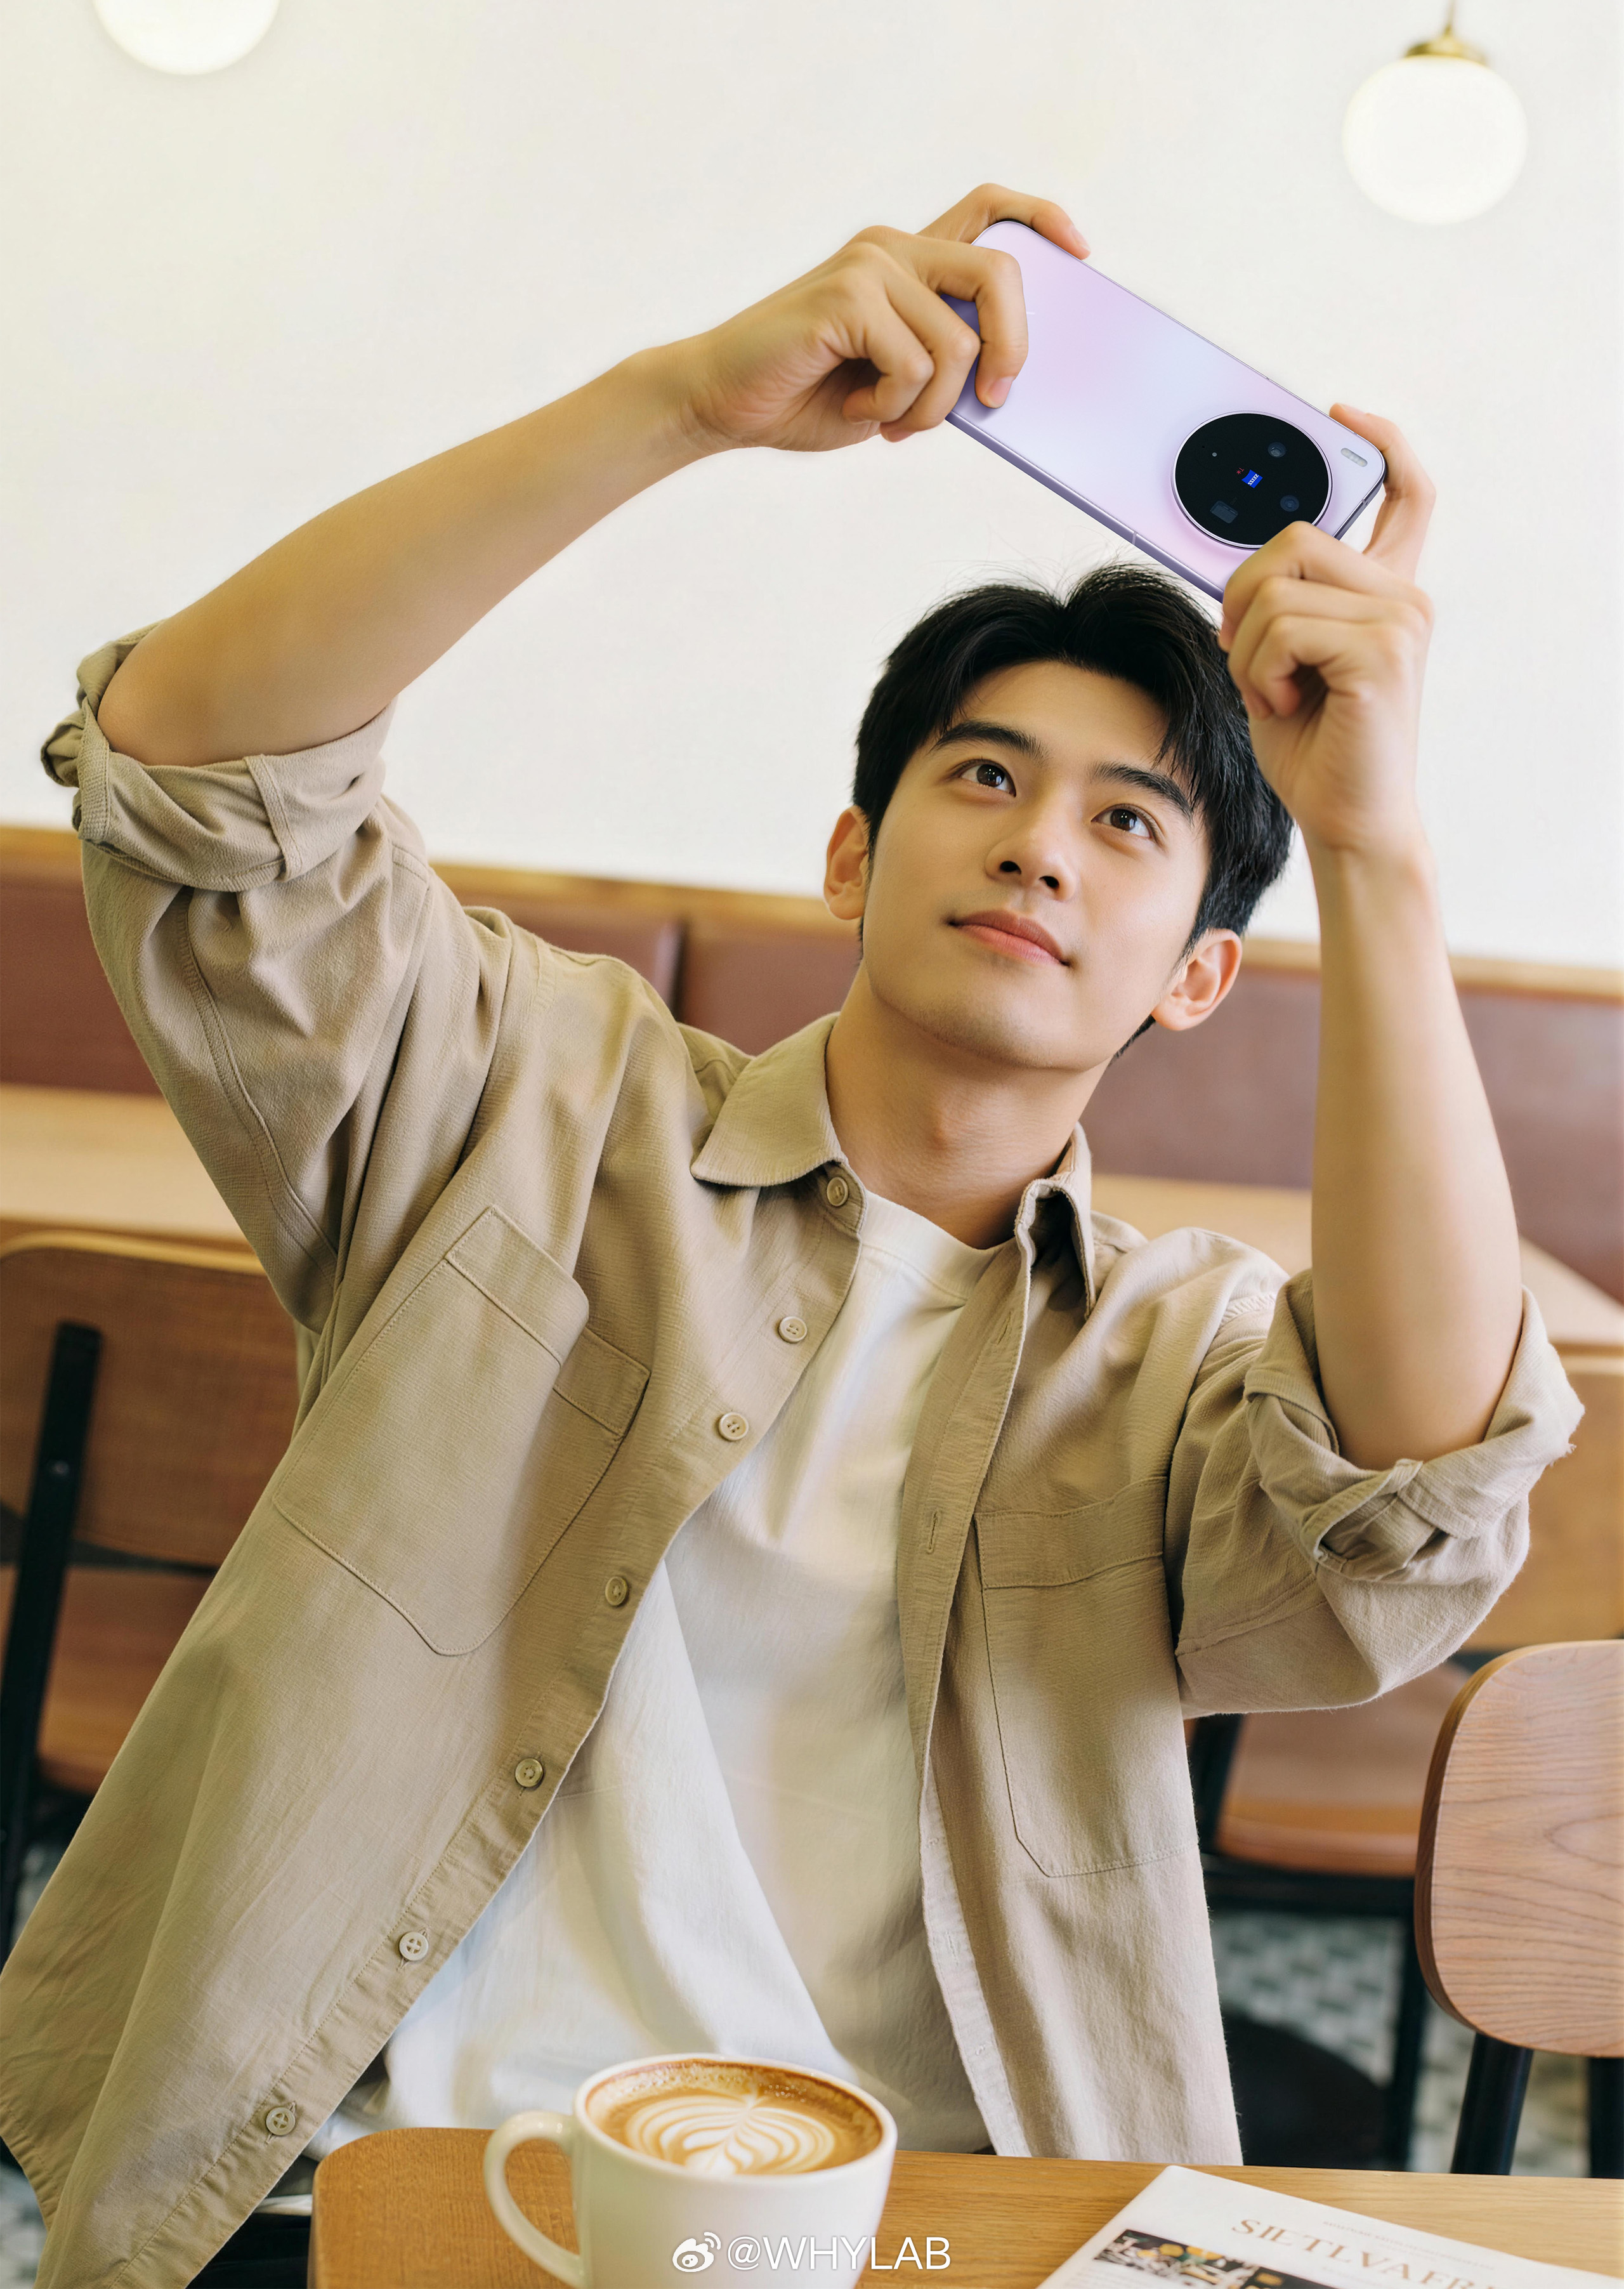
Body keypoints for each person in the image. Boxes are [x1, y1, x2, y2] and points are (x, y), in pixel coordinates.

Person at [1, 184, 1579, 2288]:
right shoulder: (536, 1097)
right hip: (377, 2177)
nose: (1040, 843)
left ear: (1201, 974)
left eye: (1129, 822)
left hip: (934, 2225)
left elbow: (1416, 1494)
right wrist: (681, 403)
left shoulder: (1179, 1353)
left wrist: (1373, 845)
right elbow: (196, 778)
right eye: (984, 776)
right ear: (851, 852)